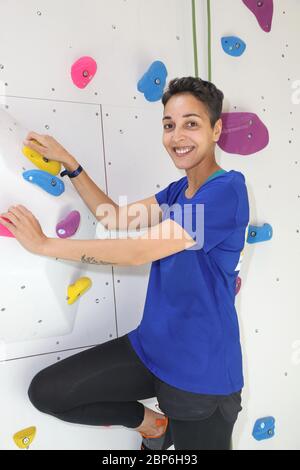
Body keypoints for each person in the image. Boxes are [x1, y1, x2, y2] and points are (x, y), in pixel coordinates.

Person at [25, 77, 249, 450]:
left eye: (191, 123)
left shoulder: (226, 191)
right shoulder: (180, 191)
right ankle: (153, 426)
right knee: (49, 392)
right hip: (151, 349)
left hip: (201, 372)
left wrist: (47, 246)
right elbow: (112, 217)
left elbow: (138, 251)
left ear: (216, 129)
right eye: (169, 125)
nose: (177, 135)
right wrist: (71, 165)